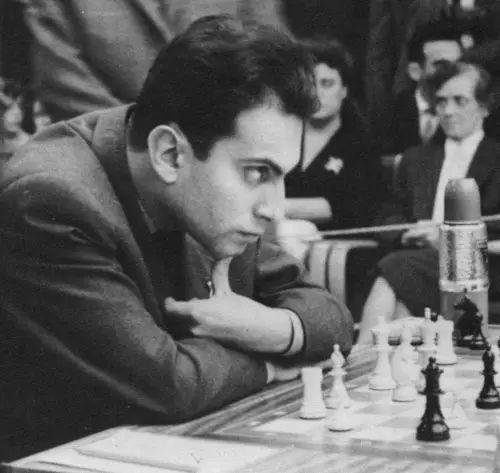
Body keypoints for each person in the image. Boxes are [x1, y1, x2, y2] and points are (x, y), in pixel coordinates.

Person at [0, 16, 354, 460]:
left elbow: (330, 315)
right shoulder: (51, 201)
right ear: (169, 154)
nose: (275, 207)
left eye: (281, 177)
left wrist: (274, 329)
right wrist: (271, 363)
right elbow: (168, 384)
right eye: (258, 172)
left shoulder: (202, 193)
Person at [357, 61, 500, 345]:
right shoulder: (415, 159)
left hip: (480, 266)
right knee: (402, 288)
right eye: (442, 101)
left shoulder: (498, 158)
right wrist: (407, 233)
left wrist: (445, 239)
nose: (447, 111)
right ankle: (393, 361)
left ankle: (363, 353)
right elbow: (387, 214)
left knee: (395, 269)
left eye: (460, 101)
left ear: (484, 107)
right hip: (419, 259)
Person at [24, 0, 289, 122]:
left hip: (232, 159)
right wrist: (154, 144)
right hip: (117, 174)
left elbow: (275, 63)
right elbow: (65, 85)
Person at [285, 38, 380, 230]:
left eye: (326, 84)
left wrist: (276, 208)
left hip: (335, 239)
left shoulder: (359, 144)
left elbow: (349, 207)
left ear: (344, 90)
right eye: (309, 84)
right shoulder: (283, 136)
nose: (316, 93)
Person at [388, 19, 464, 154]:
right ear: (415, 71)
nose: (453, 74)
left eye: (458, 66)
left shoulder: (474, 115)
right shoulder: (388, 112)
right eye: (442, 66)